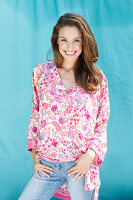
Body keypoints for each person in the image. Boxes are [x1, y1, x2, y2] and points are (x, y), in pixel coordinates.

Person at [18, 13, 110, 200]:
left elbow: (101, 124)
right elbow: (36, 115)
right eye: (64, 40)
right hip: (47, 164)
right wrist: (35, 156)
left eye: (76, 40)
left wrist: (90, 156)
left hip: (79, 166)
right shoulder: (41, 73)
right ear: (56, 42)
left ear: (84, 43)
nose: (70, 47)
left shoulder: (96, 79)